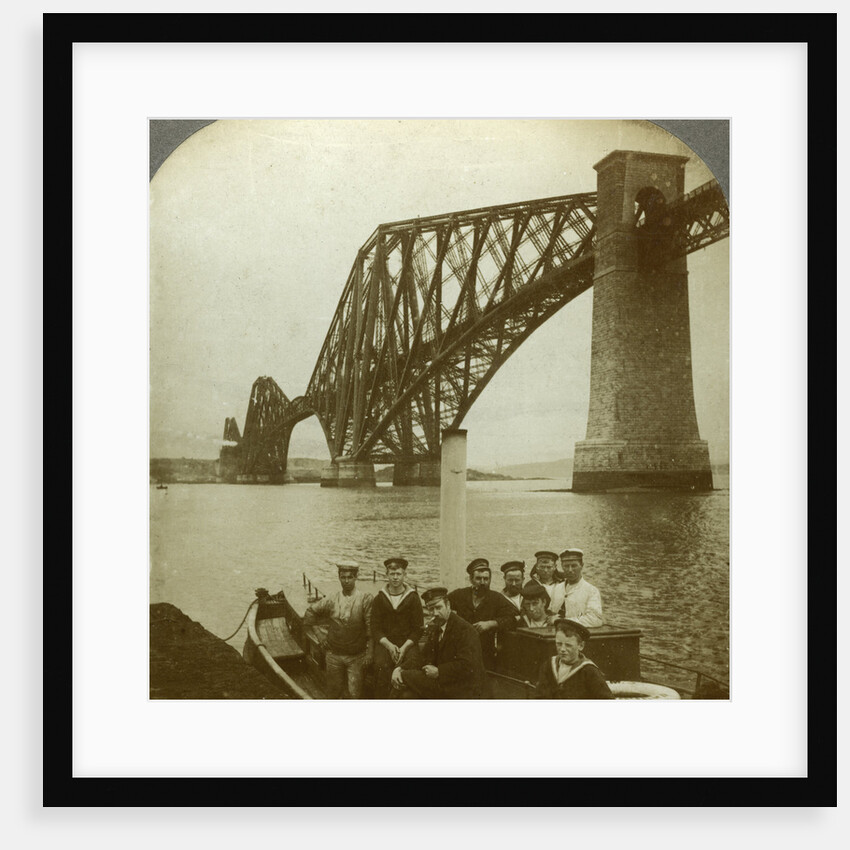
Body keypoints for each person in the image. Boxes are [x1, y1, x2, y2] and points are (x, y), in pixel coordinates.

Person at [390, 586, 489, 699]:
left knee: (405, 679)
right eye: (431, 609)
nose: (435, 613)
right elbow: (423, 657)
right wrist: (400, 668)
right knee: (405, 692)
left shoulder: (465, 630)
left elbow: (468, 666)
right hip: (446, 682)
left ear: (448, 606)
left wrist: (439, 671)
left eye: (438, 607)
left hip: (464, 689)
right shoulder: (437, 628)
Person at [303, 560, 373, 699]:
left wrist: (370, 652)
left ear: (356, 577)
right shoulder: (331, 598)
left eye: (350, 577)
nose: (346, 581)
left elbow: (371, 628)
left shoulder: (365, 599)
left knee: (355, 694)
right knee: (333, 692)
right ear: (339, 577)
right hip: (333, 655)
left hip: (356, 657)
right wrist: (320, 635)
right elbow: (310, 612)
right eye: (343, 577)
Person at [370, 556, 424, 699]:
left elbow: (418, 629)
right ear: (387, 575)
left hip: (408, 642)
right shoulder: (379, 599)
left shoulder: (413, 598)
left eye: (398, 574)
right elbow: (375, 628)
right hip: (386, 643)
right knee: (381, 665)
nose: (395, 578)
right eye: (392, 574)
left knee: (412, 664)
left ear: (404, 575)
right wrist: (388, 645)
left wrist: (405, 647)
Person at [448, 558, 518, 667]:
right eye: (478, 578)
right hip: (460, 648)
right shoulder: (459, 595)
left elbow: (513, 617)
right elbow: (442, 605)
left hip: (484, 652)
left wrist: (490, 623)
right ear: (471, 579)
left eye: (486, 579)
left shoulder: (496, 598)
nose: (482, 582)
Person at [533, 618, 613, 699]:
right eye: (559, 644)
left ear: (581, 646)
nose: (562, 649)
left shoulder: (589, 672)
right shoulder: (549, 666)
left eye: (568, 645)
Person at [558, 548, 604, 628]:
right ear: (562, 566)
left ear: (581, 565)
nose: (570, 570)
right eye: (566, 566)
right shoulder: (557, 588)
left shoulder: (591, 591)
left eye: (574, 566)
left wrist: (563, 621)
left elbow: (594, 620)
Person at [529, 550, 566, 616]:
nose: (545, 570)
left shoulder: (564, 584)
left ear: (554, 567)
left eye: (549, 567)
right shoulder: (531, 585)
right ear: (537, 567)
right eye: (542, 567)